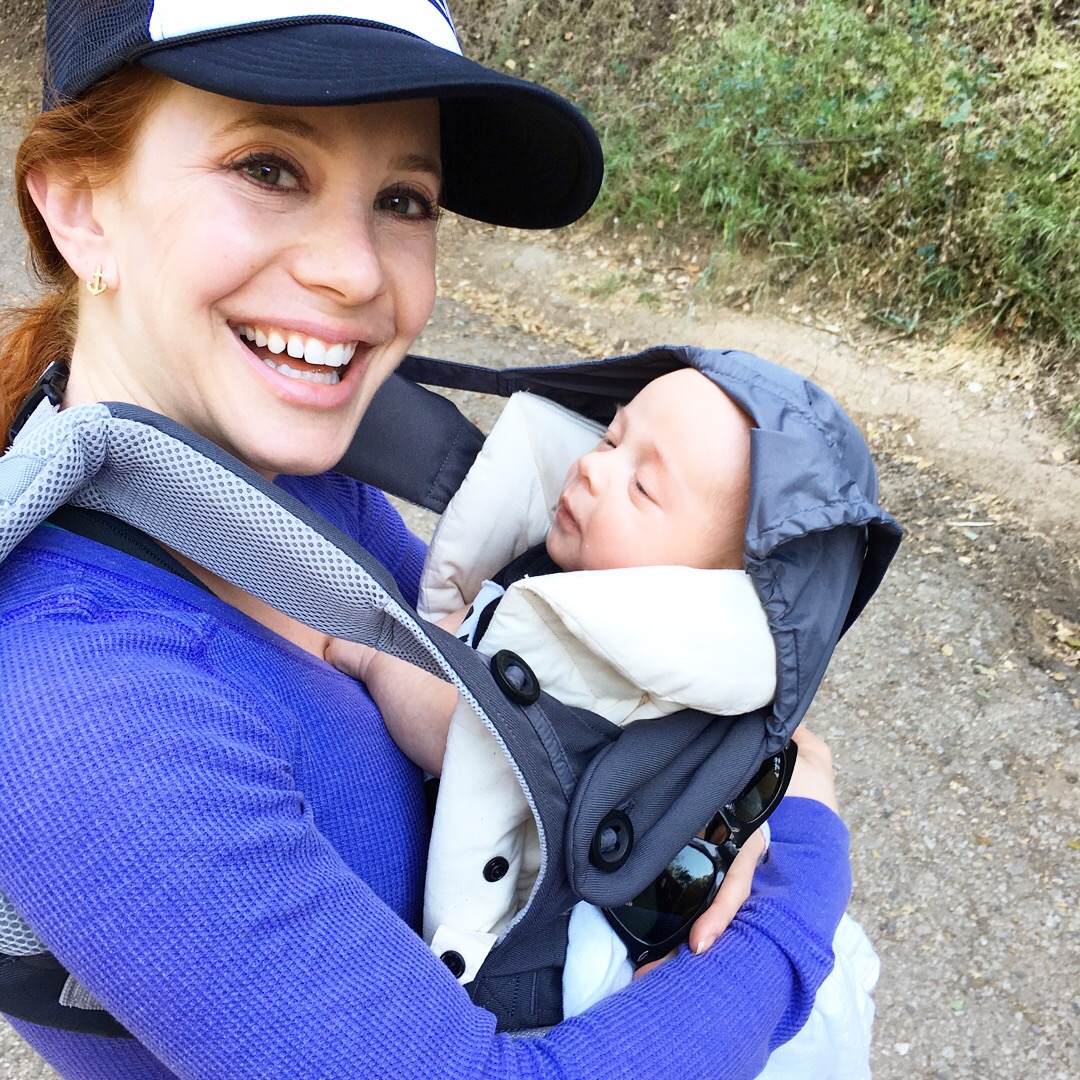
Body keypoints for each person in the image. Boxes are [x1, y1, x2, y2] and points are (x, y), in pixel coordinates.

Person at [0, 4, 854, 1078]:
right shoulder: (79, 703)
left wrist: (721, 780)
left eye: (403, 199)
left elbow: (504, 705)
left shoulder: (296, 493)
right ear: (79, 207)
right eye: (268, 168)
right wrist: (794, 888)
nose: (357, 273)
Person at [328, 370, 878, 1077]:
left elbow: (471, 732)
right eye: (612, 438)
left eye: (642, 486)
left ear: (713, 594)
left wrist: (376, 656)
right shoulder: (579, 590)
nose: (591, 468)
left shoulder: (631, 657)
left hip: (583, 979)